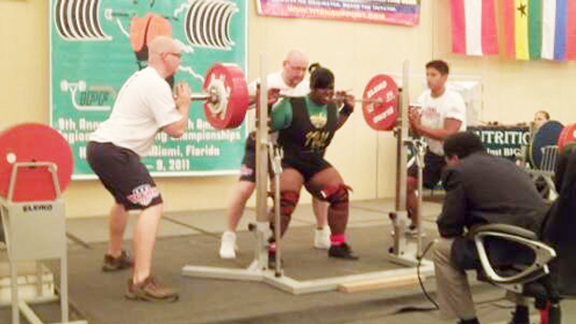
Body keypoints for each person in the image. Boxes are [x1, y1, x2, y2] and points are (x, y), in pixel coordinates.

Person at [87, 36, 190, 302]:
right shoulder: (155, 84)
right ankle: (140, 281)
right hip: (116, 152)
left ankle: (114, 255)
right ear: (166, 56)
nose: (181, 60)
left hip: (100, 148)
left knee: (124, 200)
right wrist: (185, 105)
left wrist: (176, 105)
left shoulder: (142, 78)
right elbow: (176, 129)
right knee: (152, 205)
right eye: (179, 55)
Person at [219, 50, 330, 259]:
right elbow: (238, 104)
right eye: (296, 68)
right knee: (245, 188)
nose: (299, 73)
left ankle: (322, 231)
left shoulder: (307, 89)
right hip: (261, 142)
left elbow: (323, 109)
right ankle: (229, 236)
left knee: (317, 185)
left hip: (290, 149)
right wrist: (260, 99)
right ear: (285, 64)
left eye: (303, 69)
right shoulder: (266, 82)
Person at [433, 132, 548, 324]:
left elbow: (448, 228)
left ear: (453, 158)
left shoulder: (458, 171)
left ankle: (466, 319)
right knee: (516, 234)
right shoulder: (512, 166)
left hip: (501, 248)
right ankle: (521, 313)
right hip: (537, 249)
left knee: (441, 250)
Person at [267, 63, 358, 263]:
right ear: (312, 88)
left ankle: (337, 245)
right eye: (322, 88)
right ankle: (270, 248)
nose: (327, 93)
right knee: (287, 200)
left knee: (340, 194)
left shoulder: (332, 106)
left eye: (330, 88)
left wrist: (348, 111)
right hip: (289, 159)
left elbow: (332, 126)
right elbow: (267, 125)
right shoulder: (291, 105)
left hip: (314, 161)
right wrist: (267, 104)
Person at [407, 60, 467, 234]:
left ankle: (457, 230)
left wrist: (420, 128)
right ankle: (416, 224)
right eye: (427, 74)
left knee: (455, 196)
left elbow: (449, 133)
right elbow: (417, 132)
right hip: (433, 153)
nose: (429, 78)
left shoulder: (453, 100)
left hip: (455, 156)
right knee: (406, 185)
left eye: (433, 75)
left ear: (444, 77)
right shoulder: (423, 98)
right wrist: (412, 126)